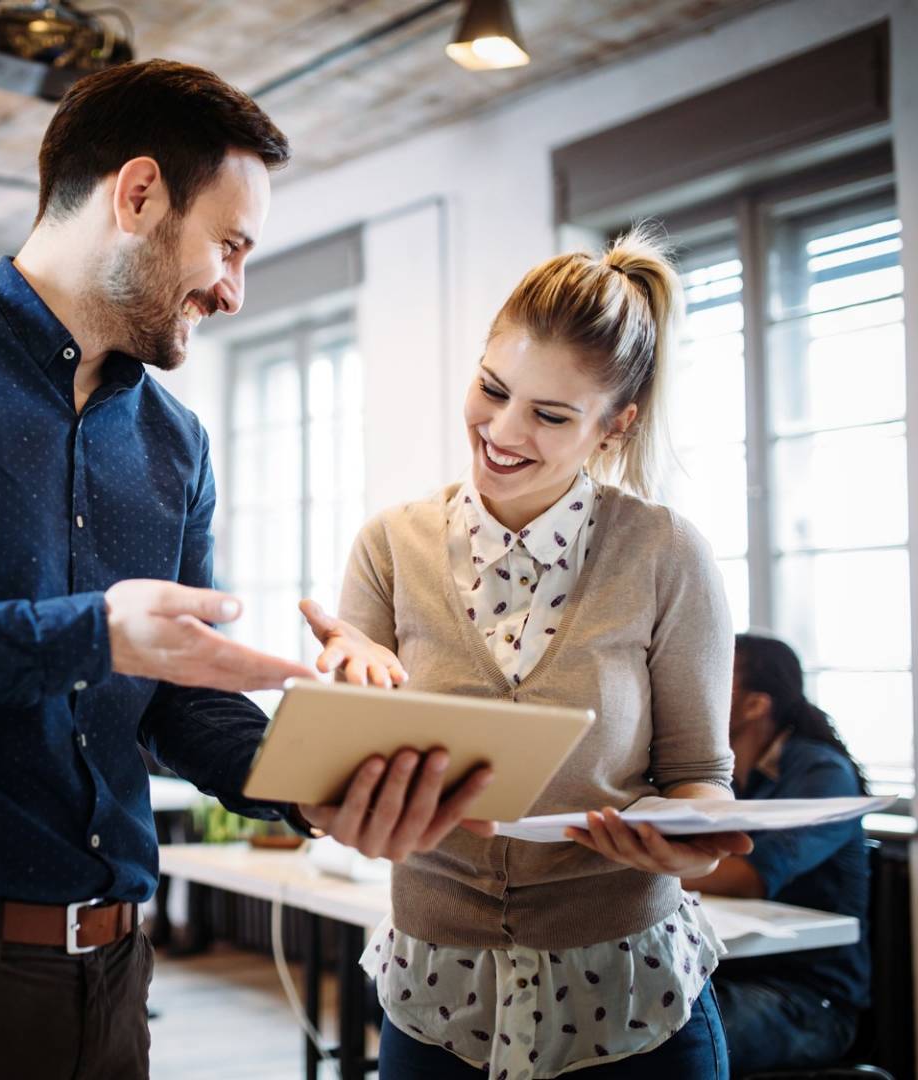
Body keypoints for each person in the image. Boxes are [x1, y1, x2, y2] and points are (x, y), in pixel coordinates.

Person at [0, 59, 491, 1079]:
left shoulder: (178, 445)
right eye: (228, 245)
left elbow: (179, 707)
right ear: (136, 195)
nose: (233, 289)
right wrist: (91, 634)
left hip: (113, 982)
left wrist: (327, 779)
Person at [304, 226, 755, 1078]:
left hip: (627, 997)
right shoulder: (390, 547)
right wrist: (341, 710)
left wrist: (687, 840)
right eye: (492, 389)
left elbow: (702, 776)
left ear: (614, 427)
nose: (503, 432)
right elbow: (351, 791)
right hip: (441, 994)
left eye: (550, 415)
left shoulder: (666, 554)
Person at [683, 633, 871, 1072]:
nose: (693, 688)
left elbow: (752, 876)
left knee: (665, 1040)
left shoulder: (821, 772)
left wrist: (639, 865)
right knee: (618, 1021)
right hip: (725, 976)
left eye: (714, 678)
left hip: (807, 998)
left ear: (755, 705)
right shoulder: (714, 778)